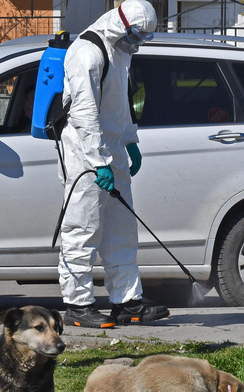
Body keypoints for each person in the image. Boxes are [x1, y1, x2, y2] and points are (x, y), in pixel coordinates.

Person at [57, 0, 169, 328]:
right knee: (82, 227)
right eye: (136, 36)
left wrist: (130, 141)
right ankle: (77, 305)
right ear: (121, 24)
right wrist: (98, 162)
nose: (138, 44)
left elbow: (121, 103)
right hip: (84, 154)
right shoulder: (87, 52)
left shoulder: (120, 50)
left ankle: (127, 301)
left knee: (121, 229)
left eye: (144, 38)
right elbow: (84, 113)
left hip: (113, 149)